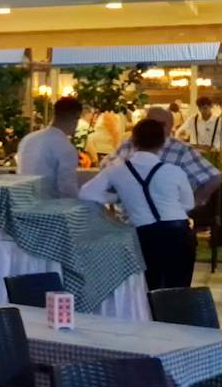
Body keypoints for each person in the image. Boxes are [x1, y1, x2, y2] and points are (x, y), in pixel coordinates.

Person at [81, 116, 196, 289]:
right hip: (179, 232)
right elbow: (188, 204)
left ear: (133, 140)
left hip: (144, 234)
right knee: (178, 289)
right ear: (163, 142)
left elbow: (86, 193)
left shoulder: (117, 169)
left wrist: (117, 198)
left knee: (148, 288)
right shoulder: (174, 171)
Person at [126, 105, 222, 210]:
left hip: (164, 215)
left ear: (170, 126)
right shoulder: (129, 145)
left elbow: (214, 177)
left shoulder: (181, 151)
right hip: (131, 214)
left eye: (160, 124)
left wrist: (194, 203)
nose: (153, 128)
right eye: (150, 123)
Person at [16, 96, 84, 199]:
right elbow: (67, 188)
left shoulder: (28, 139)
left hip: (22, 200)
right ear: (76, 117)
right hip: (49, 204)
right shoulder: (65, 147)